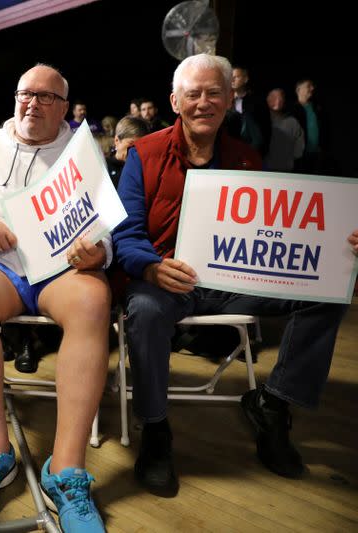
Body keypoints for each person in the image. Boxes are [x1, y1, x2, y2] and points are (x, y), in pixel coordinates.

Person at [112, 53, 352, 498]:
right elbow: (125, 233)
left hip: (231, 284)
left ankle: (272, 404)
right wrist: (150, 265)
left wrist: (335, 247)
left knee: (329, 290)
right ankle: (156, 430)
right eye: (193, 94)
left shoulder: (246, 158)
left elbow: (272, 232)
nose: (204, 102)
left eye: (214, 93)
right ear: (175, 101)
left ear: (229, 99)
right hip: (167, 281)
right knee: (143, 309)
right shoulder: (142, 155)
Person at [0, 64, 109, 532]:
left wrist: (98, 251)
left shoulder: (80, 151)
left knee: (94, 300)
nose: (31, 102)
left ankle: (67, 471)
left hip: (59, 270)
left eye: (44, 97)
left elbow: (106, 223)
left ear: (63, 108)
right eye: (24, 94)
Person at [264, 88, 305, 172]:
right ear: (267, 99)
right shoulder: (260, 120)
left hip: (286, 171)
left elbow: (299, 149)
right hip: (263, 170)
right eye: (273, 97)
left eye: (280, 98)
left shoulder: (293, 122)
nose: (278, 100)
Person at [105, 115, 150, 188]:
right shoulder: (103, 167)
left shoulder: (147, 169)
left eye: (141, 146)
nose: (136, 150)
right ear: (117, 140)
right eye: (131, 144)